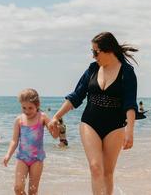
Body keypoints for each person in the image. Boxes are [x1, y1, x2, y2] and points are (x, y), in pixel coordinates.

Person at [48, 31, 139, 195]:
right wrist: (56, 116)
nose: (93, 56)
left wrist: (130, 131)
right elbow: (76, 97)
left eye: (95, 52)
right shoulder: (92, 69)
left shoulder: (127, 72)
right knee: (96, 167)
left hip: (115, 126)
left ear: (108, 50)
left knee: (108, 173)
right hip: (90, 123)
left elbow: (130, 104)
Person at [3, 88, 57, 195]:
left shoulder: (42, 117)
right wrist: (8, 155)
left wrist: (55, 127)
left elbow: (55, 136)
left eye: (30, 108)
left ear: (37, 105)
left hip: (37, 159)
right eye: (24, 108)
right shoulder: (19, 120)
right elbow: (14, 141)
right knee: (18, 188)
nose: (27, 111)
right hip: (22, 158)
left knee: (33, 191)